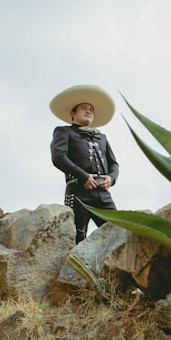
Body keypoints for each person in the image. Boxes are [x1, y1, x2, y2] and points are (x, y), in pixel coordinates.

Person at [49, 84, 119, 243]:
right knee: (77, 239)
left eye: (91, 109)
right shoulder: (64, 131)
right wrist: (84, 176)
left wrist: (111, 179)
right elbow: (58, 157)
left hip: (103, 194)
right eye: (83, 108)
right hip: (78, 192)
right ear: (73, 113)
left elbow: (114, 164)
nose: (89, 111)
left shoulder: (102, 138)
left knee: (116, 234)